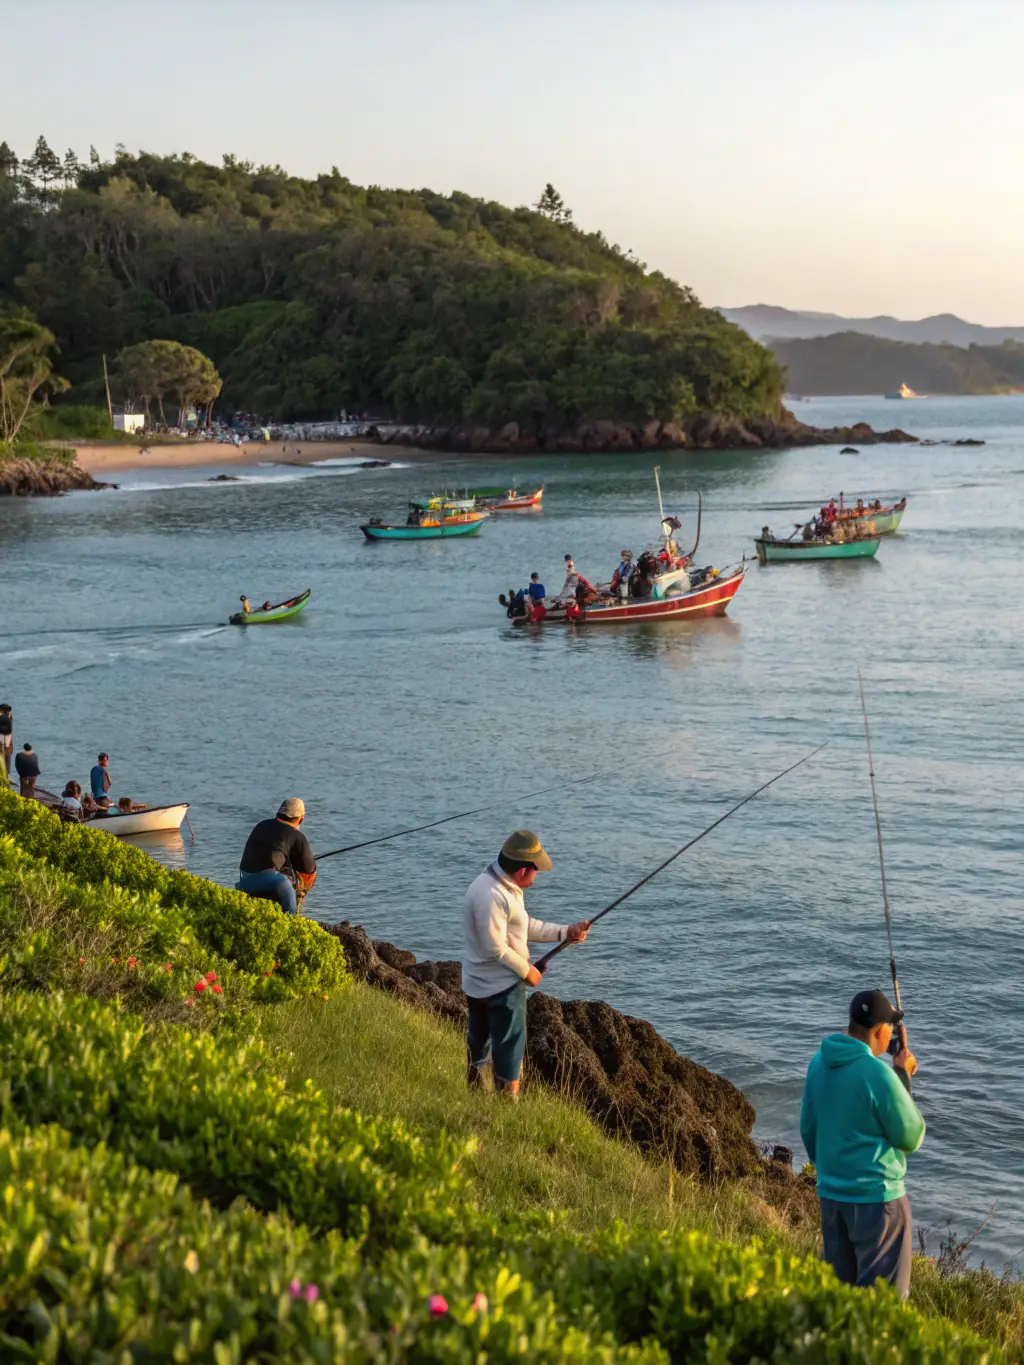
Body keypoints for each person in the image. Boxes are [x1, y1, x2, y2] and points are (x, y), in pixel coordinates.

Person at [800, 989, 924, 1300]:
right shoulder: (879, 1074)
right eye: (890, 1028)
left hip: (831, 1197)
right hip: (878, 1203)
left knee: (841, 1301)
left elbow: (808, 1130)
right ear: (881, 1031)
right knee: (883, 1308)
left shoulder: (818, 1064)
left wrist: (831, 1169)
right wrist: (902, 1076)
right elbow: (911, 1136)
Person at [462, 830, 590, 1098]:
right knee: (510, 1049)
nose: (538, 875)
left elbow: (524, 926)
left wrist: (566, 931)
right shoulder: (493, 895)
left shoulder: (498, 885)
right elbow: (494, 947)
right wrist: (528, 972)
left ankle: (477, 1098)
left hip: (477, 984)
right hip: (500, 989)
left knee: (480, 1044)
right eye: (536, 870)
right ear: (522, 871)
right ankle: (508, 1105)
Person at [236, 797, 316, 916]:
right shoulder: (297, 836)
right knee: (295, 882)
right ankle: (293, 918)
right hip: (272, 882)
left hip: (244, 879)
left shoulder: (261, 825)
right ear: (301, 819)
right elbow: (309, 869)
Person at [0, 703, 12, 779]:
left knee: (4, 752)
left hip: (4, 735)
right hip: (7, 735)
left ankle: (5, 774)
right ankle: (6, 775)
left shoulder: (5, 717)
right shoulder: (9, 717)